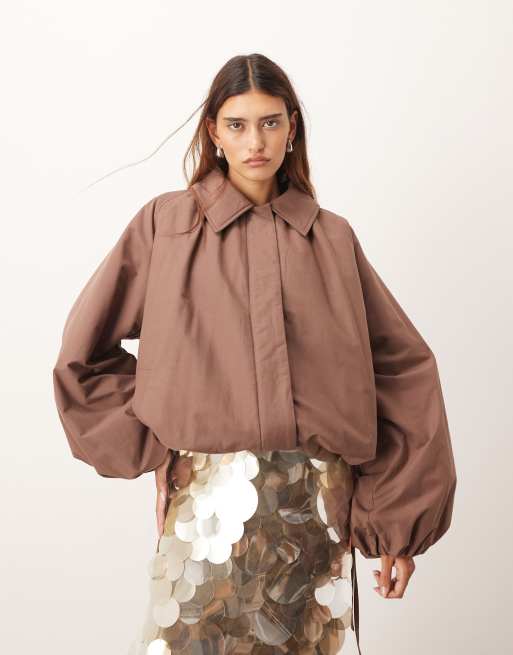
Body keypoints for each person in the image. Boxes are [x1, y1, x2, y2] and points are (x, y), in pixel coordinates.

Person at [52, 53, 457, 655]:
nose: (255, 142)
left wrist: (396, 525)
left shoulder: (331, 237)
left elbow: (403, 373)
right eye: (237, 125)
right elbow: (83, 355)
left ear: (292, 127)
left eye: (270, 122)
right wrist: (152, 439)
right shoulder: (167, 226)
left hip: (318, 509)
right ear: (213, 132)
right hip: (205, 509)